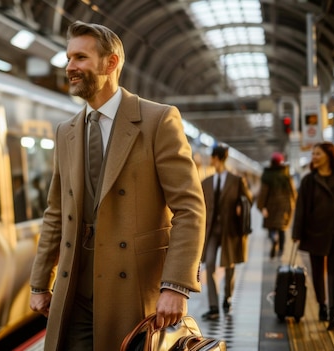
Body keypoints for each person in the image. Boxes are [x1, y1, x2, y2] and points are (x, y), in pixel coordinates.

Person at [28, 21, 206, 350]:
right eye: (68, 58)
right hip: (76, 289)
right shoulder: (66, 131)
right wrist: (40, 283)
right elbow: (56, 211)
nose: (70, 67)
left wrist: (176, 285)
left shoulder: (158, 120)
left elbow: (189, 208)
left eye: (80, 58)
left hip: (133, 289)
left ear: (111, 63)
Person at [292, 141, 334, 331]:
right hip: (315, 232)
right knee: (318, 272)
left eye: (318, 154)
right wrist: (296, 233)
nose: (314, 157)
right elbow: (300, 209)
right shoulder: (309, 180)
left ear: (328, 156)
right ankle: (322, 305)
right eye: (313, 154)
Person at [200, 145, 253, 320]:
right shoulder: (206, 182)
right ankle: (213, 306)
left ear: (217, 158)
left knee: (229, 265)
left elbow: (249, 199)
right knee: (209, 263)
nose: (210, 160)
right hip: (212, 231)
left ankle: (227, 297)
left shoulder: (236, 180)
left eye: (212, 157)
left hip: (230, 230)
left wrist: (240, 204)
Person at [257, 152, 296, 259]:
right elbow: (293, 192)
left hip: (271, 207)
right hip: (284, 206)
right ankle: (281, 250)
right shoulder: (286, 174)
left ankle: (274, 238)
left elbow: (263, 193)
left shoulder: (267, 175)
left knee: (271, 228)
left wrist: (261, 207)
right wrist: (293, 203)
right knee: (282, 229)